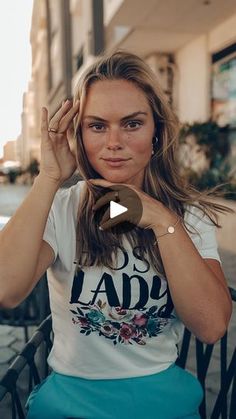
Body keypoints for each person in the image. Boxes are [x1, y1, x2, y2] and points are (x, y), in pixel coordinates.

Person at [0, 50, 233, 419]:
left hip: (160, 402)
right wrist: (48, 178)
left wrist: (160, 219)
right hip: (70, 404)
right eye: (96, 126)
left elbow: (211, 326)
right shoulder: (62, 208)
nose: (113, 142)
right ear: (78, 133)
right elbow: (5, 288)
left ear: (156, 130)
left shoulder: (187, 216)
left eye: (132, 124)